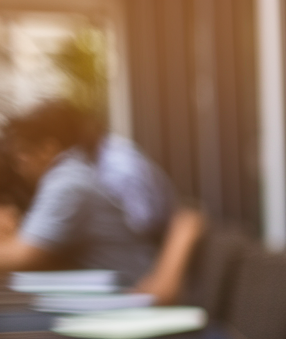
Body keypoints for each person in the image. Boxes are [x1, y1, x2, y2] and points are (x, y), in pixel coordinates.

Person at [0, 101, 204, 304]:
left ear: (48, 148)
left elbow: (25, 255)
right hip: (125, 287)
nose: (20, 166)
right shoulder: (82, 169)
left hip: (134, 293)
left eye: (22, 155)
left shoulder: (72, 181)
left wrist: (166, 275)